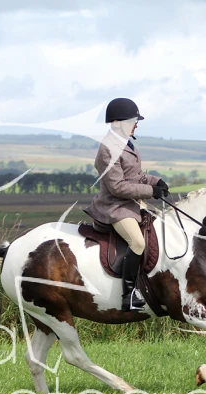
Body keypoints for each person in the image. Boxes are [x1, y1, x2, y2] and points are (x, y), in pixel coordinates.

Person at [84, 97, 169, 311]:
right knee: (138, 243)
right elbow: (118, 187)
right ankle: (128, 294)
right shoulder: (107, 149)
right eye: (132, 121)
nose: (136, 125)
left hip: (131, 203)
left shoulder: (126, 144)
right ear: (117, 122)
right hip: (115, 207)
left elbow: (136, 176)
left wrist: (156, 181)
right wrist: (151, 191)